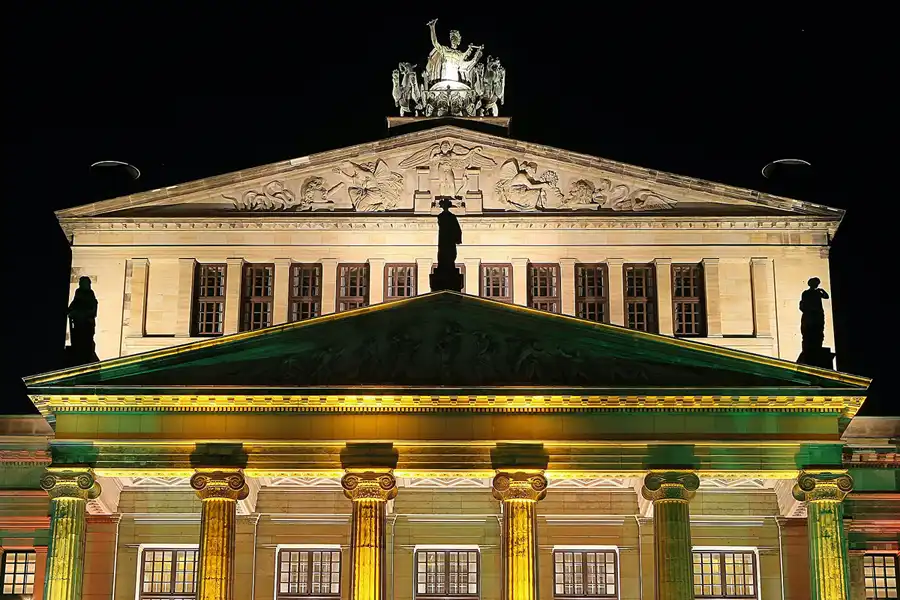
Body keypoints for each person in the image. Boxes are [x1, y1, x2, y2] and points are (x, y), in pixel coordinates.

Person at [799, 277, 828, 351]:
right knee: (808, 332)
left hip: (817, 315)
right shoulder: (806, 293)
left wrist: (822, 290)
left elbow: (826, 296)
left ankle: (817, 347)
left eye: (817, 284)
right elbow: (803, 304)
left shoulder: (817, 292)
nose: (817, 285)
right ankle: (808, 347)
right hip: (810, 315)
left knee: (818, 331)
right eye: (815, 283)